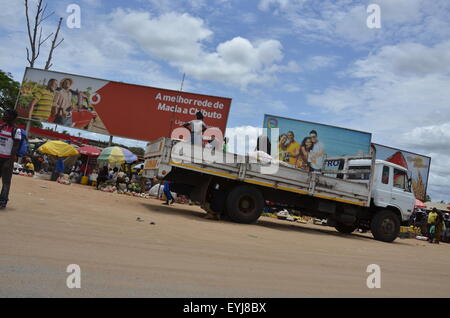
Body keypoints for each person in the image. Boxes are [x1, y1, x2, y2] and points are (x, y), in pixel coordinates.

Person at [0, 109, 22, 208]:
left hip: (7, 159)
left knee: (6, 181)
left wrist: (10, 161)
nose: (4, 115)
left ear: (12, 117)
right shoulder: (1, 127)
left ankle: (3, 201)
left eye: (6, 114)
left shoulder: (16, 130)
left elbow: (15, 146)